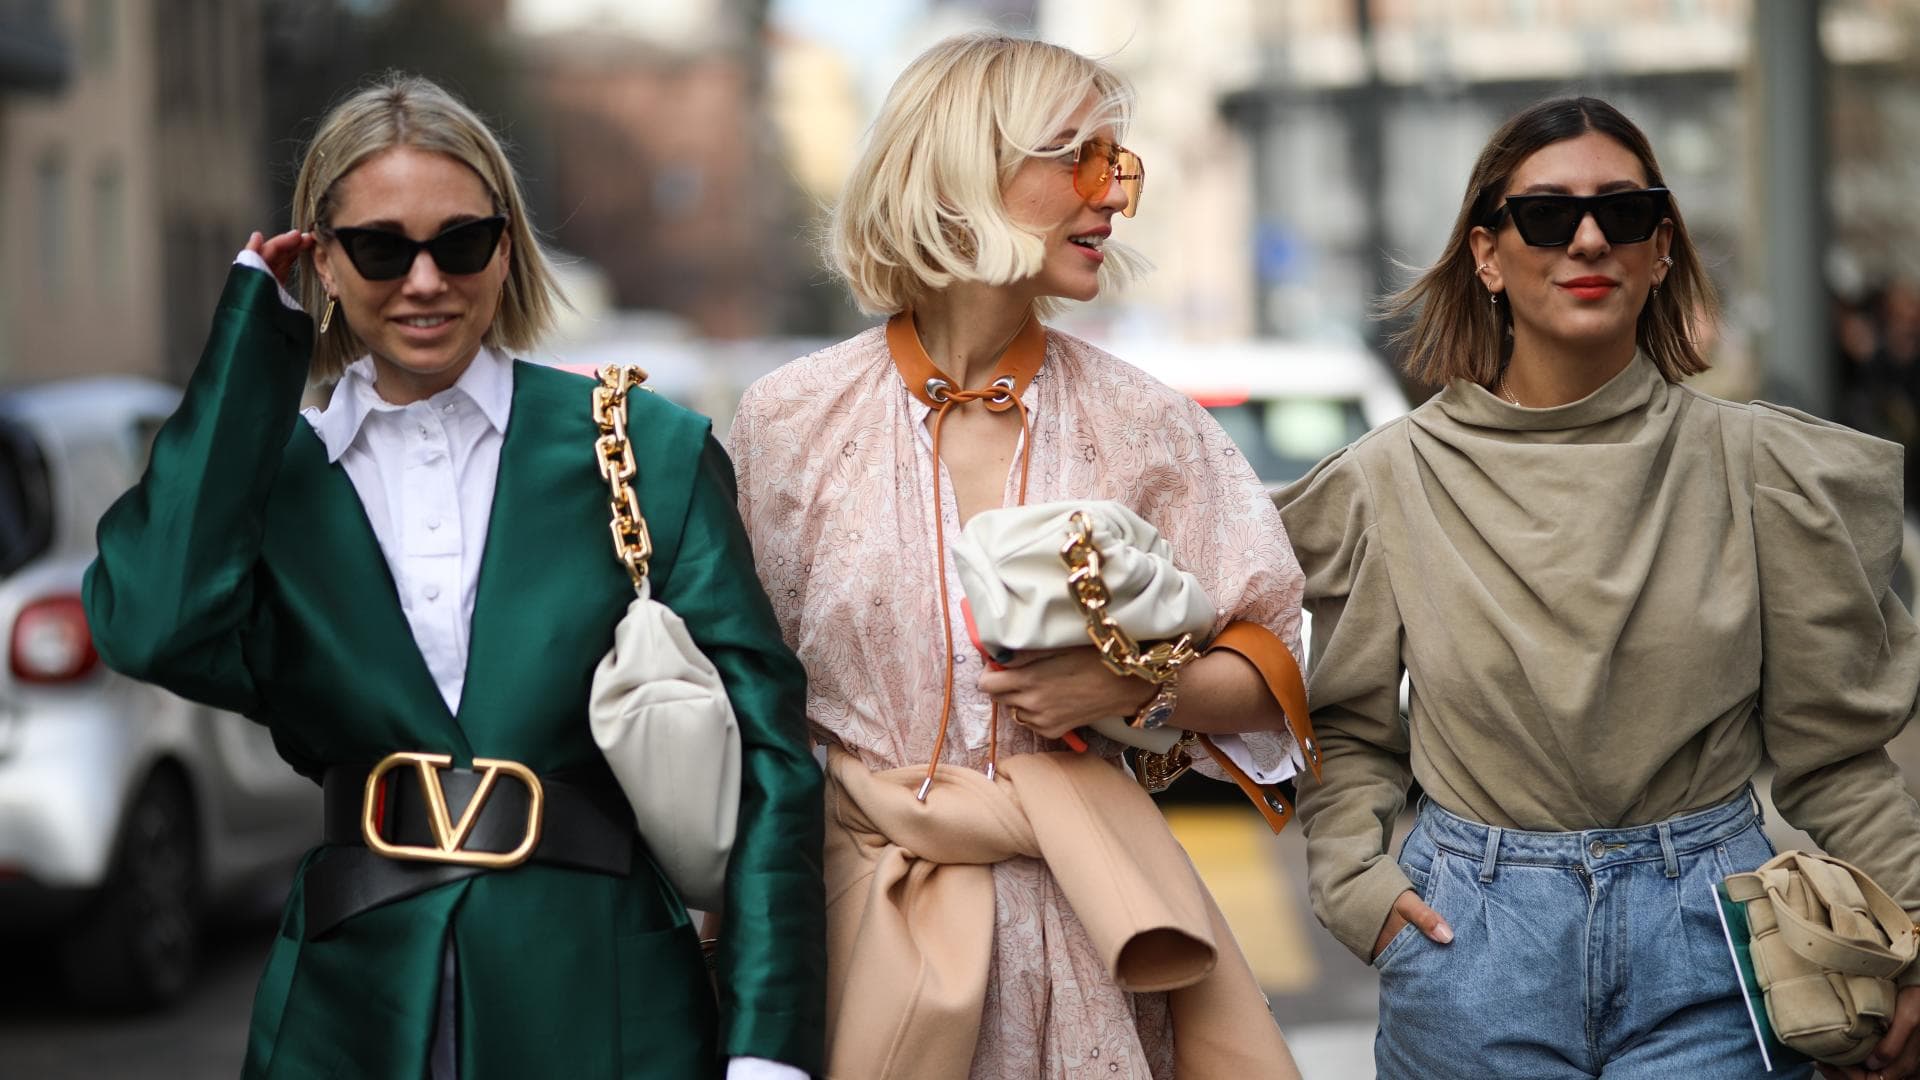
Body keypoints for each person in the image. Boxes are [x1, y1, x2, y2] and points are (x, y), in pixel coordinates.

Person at [82, 74, 824, 1080]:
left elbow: (772, 755)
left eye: (460, 242)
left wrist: (767, 1045)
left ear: (506, 247)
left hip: (603, 999)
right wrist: (246, 343)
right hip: (352, 1008)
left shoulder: (641, 444)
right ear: (325, 264)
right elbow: (147, 626)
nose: (425, 280)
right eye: (382, 248)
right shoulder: (267, 480)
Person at [1277, 95, 1920, 1080]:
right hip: (1470, 945)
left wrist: (1913, 928)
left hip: (1717, 936)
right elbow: (1350, 732)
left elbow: (1836, 756)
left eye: (1624, 213)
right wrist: (1355, 889)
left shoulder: (1759, 471)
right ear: (1487, 255)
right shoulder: (1389, 482)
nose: (1588, 238)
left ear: (1660, 250)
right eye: (1546, 215)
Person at [728, 32, 1307, 1079]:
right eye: (1078, 159)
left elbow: (1277, 673)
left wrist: (1132, 682)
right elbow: (744, 712)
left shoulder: (1149, 425)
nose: (1113, 195)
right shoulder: (787, 422)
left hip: (1094, 935)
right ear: (965, 168)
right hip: (862, 917)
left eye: (1117, 164)